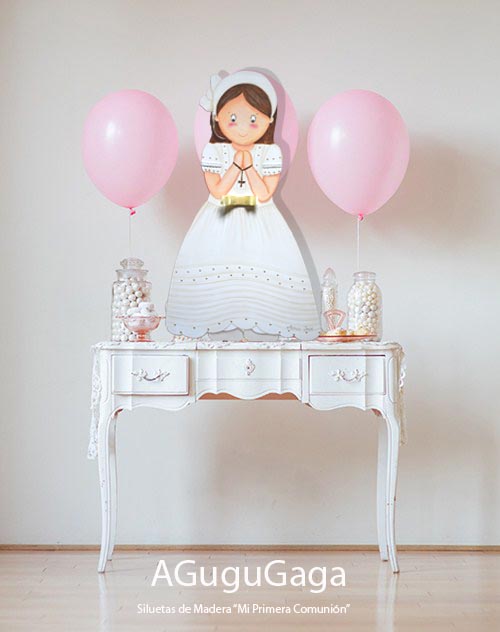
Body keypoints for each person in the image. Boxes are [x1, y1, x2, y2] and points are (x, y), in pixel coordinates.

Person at [166, 70, 319, 340]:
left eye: (253, 119)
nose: (243, 127)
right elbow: (217, 190)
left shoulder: (270, 152)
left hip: (261, 218)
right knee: (217, 275)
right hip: (219, 217)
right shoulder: (215, 151)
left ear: (269, 120)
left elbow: (264, 194)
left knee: (262, 276)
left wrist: (249, 168)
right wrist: (236, 164)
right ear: (217, 117)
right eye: (233, 118)